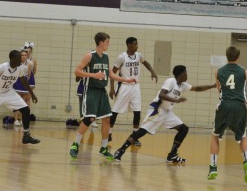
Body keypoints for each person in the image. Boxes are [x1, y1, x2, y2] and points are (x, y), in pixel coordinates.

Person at [113, 65, 216, 163]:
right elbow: (162, 95)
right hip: (157, 109)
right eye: (186, 73)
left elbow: (197, 88)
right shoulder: (171, 81)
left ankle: (172, 155)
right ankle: (120, 150)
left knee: (184, 129)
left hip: (167, 112)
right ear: (181, 74)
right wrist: (176, 100)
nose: (187, 75)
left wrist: (213, 85)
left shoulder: (183, 85)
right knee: (142, 131)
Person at [69, 32, 136, 160]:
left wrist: (126, 80)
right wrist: (94, 75)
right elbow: (77, 71)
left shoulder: (105, 56)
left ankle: (103, 148)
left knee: (107, 119)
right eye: (107, 42)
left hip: (101, 92)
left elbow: (110, 74)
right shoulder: (89, 56)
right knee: (90, 118)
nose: (108, 44)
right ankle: (75, 144)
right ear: (101, 42)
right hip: (90, 90)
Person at [208, 45, 247, 183]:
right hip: (240, 106)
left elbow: (219, 89)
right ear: (238, 57)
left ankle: (213, 168)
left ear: (227, 56)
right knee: (242, 136)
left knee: (215, 136)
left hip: (224, 105)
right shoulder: (245, 72)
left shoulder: (218, 72)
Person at [108, 37, 158, 144]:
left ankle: (135, 136)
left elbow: (146, 63)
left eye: (137, 44)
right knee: (115, 111)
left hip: (135, 87)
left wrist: (152, 72)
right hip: (124, 86)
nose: (136, 46)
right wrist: (112, 88)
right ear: (129, 45)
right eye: (134, 44)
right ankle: (108, 133)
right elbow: (112, 73)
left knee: (137, 111)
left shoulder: (138, 55)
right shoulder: (121, 57)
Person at [13, 49, 33, 126]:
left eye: (25, 55)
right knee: (16, 101)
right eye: (22, 55)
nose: (24, 57)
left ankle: (21, 119)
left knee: (23, 102)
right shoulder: (16, 63)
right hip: (17, 81)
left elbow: (29, 75)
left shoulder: (29, 64)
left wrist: (26, 83)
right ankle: (15, 120)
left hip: (24, 82)